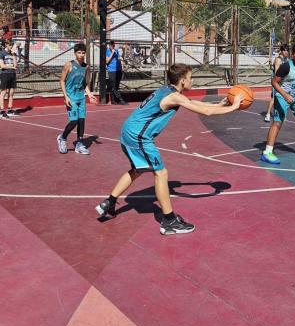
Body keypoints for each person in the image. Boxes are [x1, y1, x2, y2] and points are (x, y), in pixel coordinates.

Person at [95, 63, 243, 235]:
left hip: (128, 131)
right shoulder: (174, 97)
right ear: (182, 81)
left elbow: (193, 103)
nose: (192, 80)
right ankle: (169, 221)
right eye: (190, 77)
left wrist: (221, 104)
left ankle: (110, 202)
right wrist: (233, 107)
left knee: (137, 169)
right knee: (161, 173)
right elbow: (205, 112)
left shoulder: (168, 90)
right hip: (139, 137)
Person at [57, 42, 97, 155]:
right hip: (71, 97)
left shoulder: (85, 66)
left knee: (81, 121)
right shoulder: (69, 65)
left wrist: (89, 94)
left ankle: (79, 143)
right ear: (75, 53)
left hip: (81, 97)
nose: (81, 55)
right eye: (79, 53)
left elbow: (84, 83)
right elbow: (62, 81)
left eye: (83, 53)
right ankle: (62, 138)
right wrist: (66, 97)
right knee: (74, 121)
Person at [264, 44, 289, 122]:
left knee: (283, 98)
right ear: (281, 51)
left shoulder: (286, 59)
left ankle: (282, 114)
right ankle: (268, 114)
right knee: (274, 98)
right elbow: (277, 72)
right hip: (277, 81)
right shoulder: (278, 59)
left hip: (283, 81)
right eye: (285, 50)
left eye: (287, 50)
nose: (287, 52)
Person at [0, 40, 18, 118]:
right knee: (3, 92)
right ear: (6, 45)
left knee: (11, 93)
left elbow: (16, 65)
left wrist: (14, 54)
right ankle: (1, 111)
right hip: (5, 74)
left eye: (12, 45)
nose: (11, 46)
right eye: (10, 45)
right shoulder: (1, 53)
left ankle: (10, 109)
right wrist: (11, 67)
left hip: (12, 74)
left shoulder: (12, 53)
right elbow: (2, 66)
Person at [106, 40, 125, 104]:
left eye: (114, 45)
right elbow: (107, 61)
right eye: (112, 45)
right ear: (109, 45)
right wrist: (112, 53)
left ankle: (114, 100)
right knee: (113, 86)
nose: (113, 46)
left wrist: (121, 64)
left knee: (116, 86)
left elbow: (119, 59)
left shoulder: (116, 51)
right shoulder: (107, 51)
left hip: (118, 69)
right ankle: (120, 99)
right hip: (112, 70)